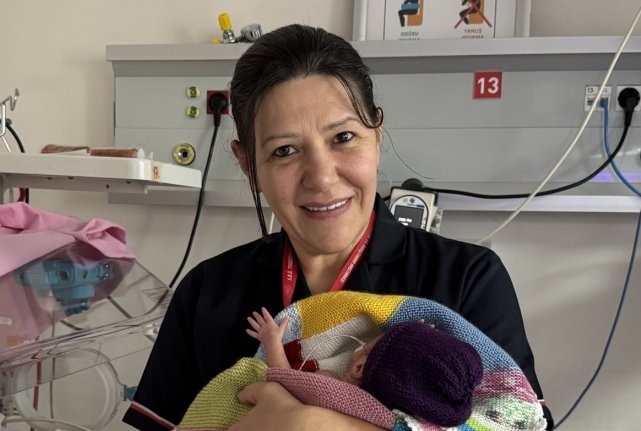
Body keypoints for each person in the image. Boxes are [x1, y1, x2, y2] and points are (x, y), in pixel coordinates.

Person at [122, 24, 553, 431]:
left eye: (343, 138)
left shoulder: (466, 280)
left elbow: (519, 421)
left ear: (377, 135)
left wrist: (317, 425)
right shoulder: (207, 293)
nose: (322, 178)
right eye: (284, 150)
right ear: (247, 164)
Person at [246, 308, 484, 427]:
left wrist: (272, 341)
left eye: (368, 344)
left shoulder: (331, 388)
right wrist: (421, 342)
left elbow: (283, 380)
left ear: (359, 366)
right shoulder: (403, 416)